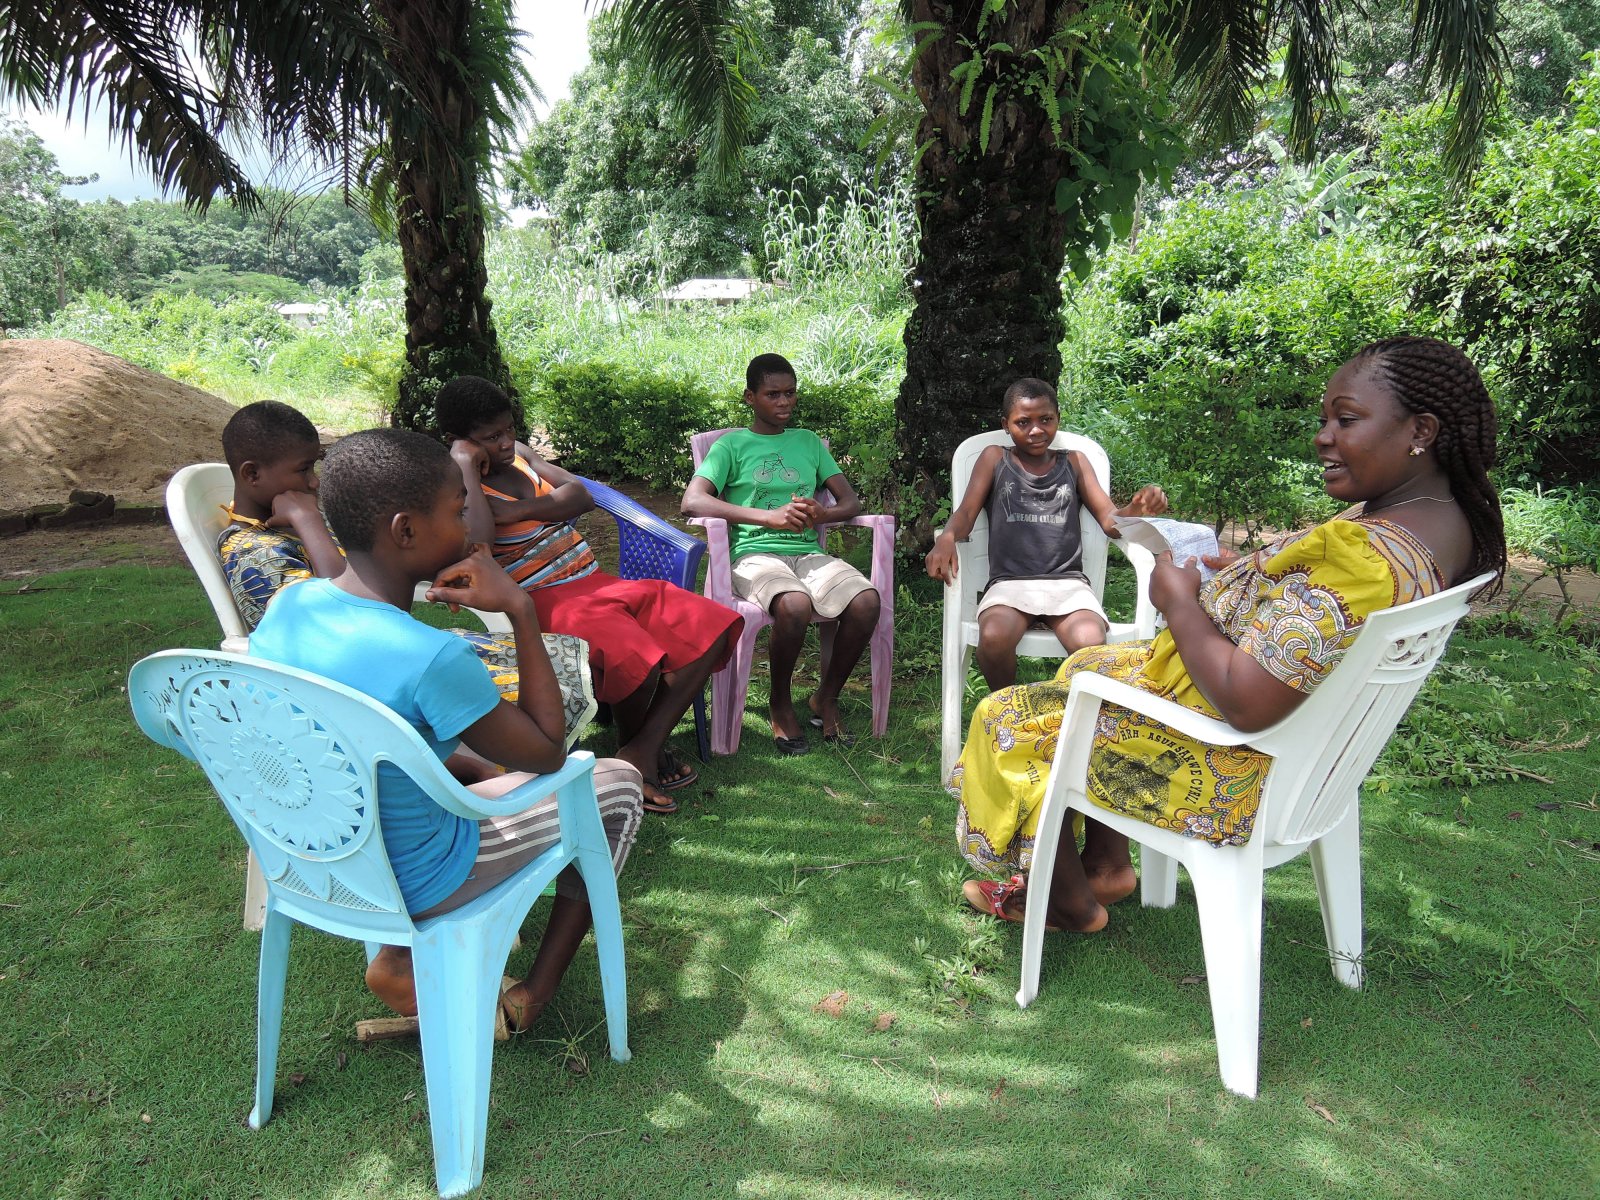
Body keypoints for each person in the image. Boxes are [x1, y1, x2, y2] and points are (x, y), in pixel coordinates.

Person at [950, 336, 1507, 933]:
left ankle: (1068, 904)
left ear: (1420, 430)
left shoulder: (1366, 555)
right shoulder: (1427, 523)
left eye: (1346, 420)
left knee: (1007, 717)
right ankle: (1108, 864)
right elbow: (1312, 604)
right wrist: (1240, 565)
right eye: (1325, 420)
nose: (1323, 437)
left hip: (1228, 767)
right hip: (1300, 748)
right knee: (1090, 667)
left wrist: (1180, 603)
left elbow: (1247, 701)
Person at [249, 428, 645, 1029]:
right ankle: (529, 996)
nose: (468, 530)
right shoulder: (432, 657)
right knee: (614, 784)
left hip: (310, 856)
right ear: (406, 531)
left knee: (474, 764)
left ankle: (401, 958)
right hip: (415, 877)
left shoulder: (291, 607)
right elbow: (543, 752)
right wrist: (519, 609)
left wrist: (466, 766)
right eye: (458, 512)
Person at [434, 376, 742, 815]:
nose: (505, 443)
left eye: (508, 430)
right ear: (459, 441)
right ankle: (637, 756)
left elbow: (580, 495)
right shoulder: (461, 487)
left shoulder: (522, 457)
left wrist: (521, 511)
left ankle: (638, 750)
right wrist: (465, 463)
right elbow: (479, 543)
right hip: (543, 599)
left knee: (709, 624)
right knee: (637, 653)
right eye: (490, 438)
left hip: (597, 582)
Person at [217, 401, 596, 743]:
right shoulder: (251, 550)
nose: (314, 481)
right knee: (533, 690)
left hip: (387, 659)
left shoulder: (300, 528)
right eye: (303, 469)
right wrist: (308, 519)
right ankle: (518, 762)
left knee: (558, 653)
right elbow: (335, 608)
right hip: (370, 673)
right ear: (252, 475)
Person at [681, 353, 882, 754]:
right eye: (773, 394)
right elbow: (692, 501)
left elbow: (851, 502)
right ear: (750, 398)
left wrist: (823, 513)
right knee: (793, 605)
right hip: (753, 556)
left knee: (865, 601)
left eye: (790, 393)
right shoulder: (731, 445)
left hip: (807, 554)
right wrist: (767, 518)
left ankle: (826, 695)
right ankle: (780, 702)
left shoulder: (808, 442)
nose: (784, 402)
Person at [924, 377, 1168, 689]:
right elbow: (967, 514)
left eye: (1046, 420)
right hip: (1010, 585)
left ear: (1058, 418)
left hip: (1067, 585)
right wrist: (947, 537)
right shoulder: (994, 459)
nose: (1036, 430)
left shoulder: (1075, 463)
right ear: (1006, 425)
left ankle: (1073, 721)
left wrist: (1136, 508)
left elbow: (1110, 520)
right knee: (994, 637)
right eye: (1023, 422)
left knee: (1090, 642)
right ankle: (1008, 709)